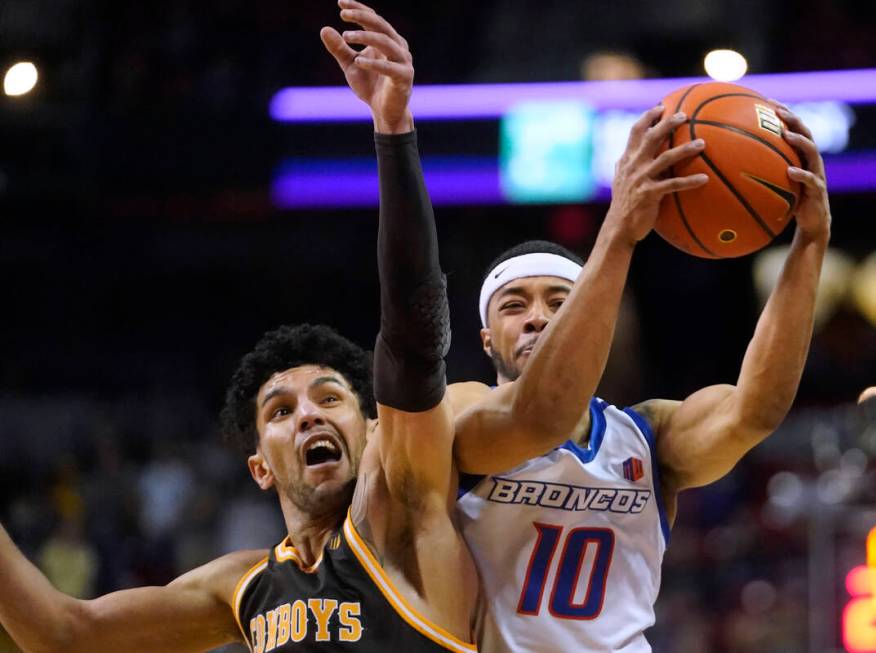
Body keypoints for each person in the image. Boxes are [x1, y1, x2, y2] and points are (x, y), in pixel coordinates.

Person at [0, 2, 477, 651]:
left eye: (330, 397)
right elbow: (62, 631)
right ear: (258, 467)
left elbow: (415, 335)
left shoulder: (413, 520)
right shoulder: (242, 584)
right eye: (280, 410)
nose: (307, 415)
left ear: (373, 432)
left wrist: (394, 129)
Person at [450, 102, 831, 651]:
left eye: (561, 301)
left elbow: (757, 409)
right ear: (485, 338)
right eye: (513, 305)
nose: (538, 315)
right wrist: (620, 230)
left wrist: (810, 245)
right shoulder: (459, 413)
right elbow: (540, 411)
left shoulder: (647, 437)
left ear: (595, 317)